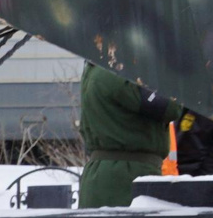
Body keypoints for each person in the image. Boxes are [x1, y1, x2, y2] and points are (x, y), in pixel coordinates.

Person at [76, 63, 186, 208]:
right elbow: (170, 106)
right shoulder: (115, 72)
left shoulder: (96, 69)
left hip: (110, 175)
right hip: (125, 179)